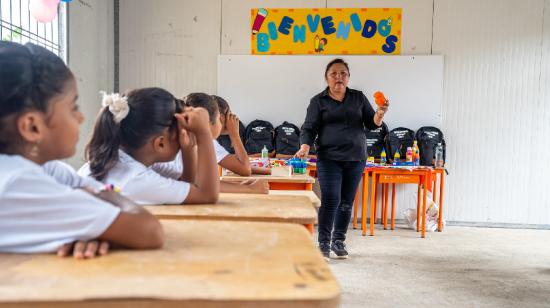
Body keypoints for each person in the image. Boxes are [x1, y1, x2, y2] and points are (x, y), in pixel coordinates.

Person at [0, 41, 163, 257]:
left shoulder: (48, 169)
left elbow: (93, 189)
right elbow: (149, 231)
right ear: (32, 126)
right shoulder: (16, 181)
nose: (81, 117)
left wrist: (90, 225)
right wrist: (106, 203)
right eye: (73, 107)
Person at [296, 58, 389, 260]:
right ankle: (323, 243)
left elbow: (372, 124)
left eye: (343, 73)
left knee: (346, 202)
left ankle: (339, 240)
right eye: (334, 74)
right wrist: (304, 146)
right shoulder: (318, 101)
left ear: (348, 77)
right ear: (326, 78)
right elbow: (309, 128)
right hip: (328, 157)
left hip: (356, 157)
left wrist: (380, 114)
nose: (339, 77)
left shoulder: (358, 98)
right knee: (331, 200)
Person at [79, 88, 219, 204]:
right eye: (180, 133)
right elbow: (207, 196)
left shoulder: (120, 162)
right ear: (160, 143)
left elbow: (188, 188)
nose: (183, 139)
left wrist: (188, 150)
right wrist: (203, 133)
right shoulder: (135, 178)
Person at [152, 92, 268, 194]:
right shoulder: (203, 141)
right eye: (218, 118)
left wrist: (242, 186)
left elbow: (194, 182)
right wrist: (235, 134)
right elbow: (244, 169)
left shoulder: (191, 141)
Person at [213, 95, 271, 175]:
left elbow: (238, 165)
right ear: (221, 118)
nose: (233, 118)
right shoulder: (208, 142)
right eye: (230, 114)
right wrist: (234, 134)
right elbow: (245, 169)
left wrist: (268, 171)